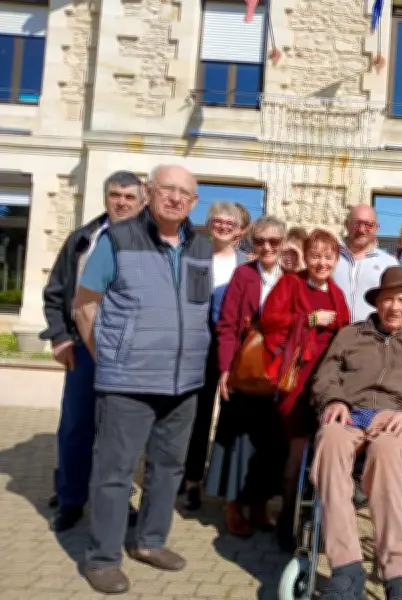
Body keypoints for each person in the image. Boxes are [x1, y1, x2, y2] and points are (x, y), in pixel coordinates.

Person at [73, 165, 212, 594]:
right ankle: (102, 558)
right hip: (127, 383)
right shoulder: (117, 238)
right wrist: (109, 358)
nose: (175, 198)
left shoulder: (201, 244)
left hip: (184, 382)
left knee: (168, 468)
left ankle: (150, 542)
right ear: (150, 192)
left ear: (194, 201)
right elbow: (84, 305)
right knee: (114, 472)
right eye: (167, 189)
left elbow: (195, 305)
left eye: (184, 193)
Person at [309, 266, 402, 600]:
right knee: (330, 439)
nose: (394, 307)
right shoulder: (351, 335)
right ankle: (347, 569)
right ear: (377, 303)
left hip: (398, 419)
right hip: (351, 415)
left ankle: (399, 574)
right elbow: (325, 375)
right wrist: (335, 400)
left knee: (384, 452)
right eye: (388, 299)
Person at [41, 170, 145, 532]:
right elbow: (56, 292)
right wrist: (60, 338)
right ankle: (71, 499)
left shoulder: (152, 243)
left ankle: (117, 499)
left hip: (131, 355)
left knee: (119, 432)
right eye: (116, 195)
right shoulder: (82, 239)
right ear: (106, 197)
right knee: (75, 427)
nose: (122, 202)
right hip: (84, 352)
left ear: (142, 201)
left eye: (130, 197)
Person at [260, 228, 350, 550]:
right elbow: (270, 321)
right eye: (315, 255)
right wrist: (309, 319)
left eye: (328, 257)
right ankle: (288, 518)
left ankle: (319, 518)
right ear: (306, 257)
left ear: (336, 260)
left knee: (325, 449)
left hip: (325, 381)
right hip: (297, 380)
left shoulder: (338, 293)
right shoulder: (291, 283)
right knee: (298, 449)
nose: (321, 262)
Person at [204, 216, 288, 537]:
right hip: (243, 368)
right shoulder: (243, 275)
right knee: (237, 439)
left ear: (282, 244)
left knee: (268, 440)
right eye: (260, 241)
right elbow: (226, 325)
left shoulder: (290, 278)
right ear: (252, 244)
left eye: (274, 242)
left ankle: (259, 504)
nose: (267, 247)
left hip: (275, 374)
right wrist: (224, 368)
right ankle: (233, 506)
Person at [181, 202, 248, 511]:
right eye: (217, 221)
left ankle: (229, 485)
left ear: (240, 230)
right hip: (199, 346)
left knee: (233, 417)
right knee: (199, 415)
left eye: (229, 223)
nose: (223, 226)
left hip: (237, 348)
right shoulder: (194, 258)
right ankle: (192, 480)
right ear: (208, 225)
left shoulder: (247, 263)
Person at [332, 204, 397, 322]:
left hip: (371, 337)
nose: (361, 230)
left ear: (376, 227)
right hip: (332, 335)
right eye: (357, 223)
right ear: (346, 224)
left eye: (368, 225)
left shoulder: (388, 263)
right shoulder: (329, 257)